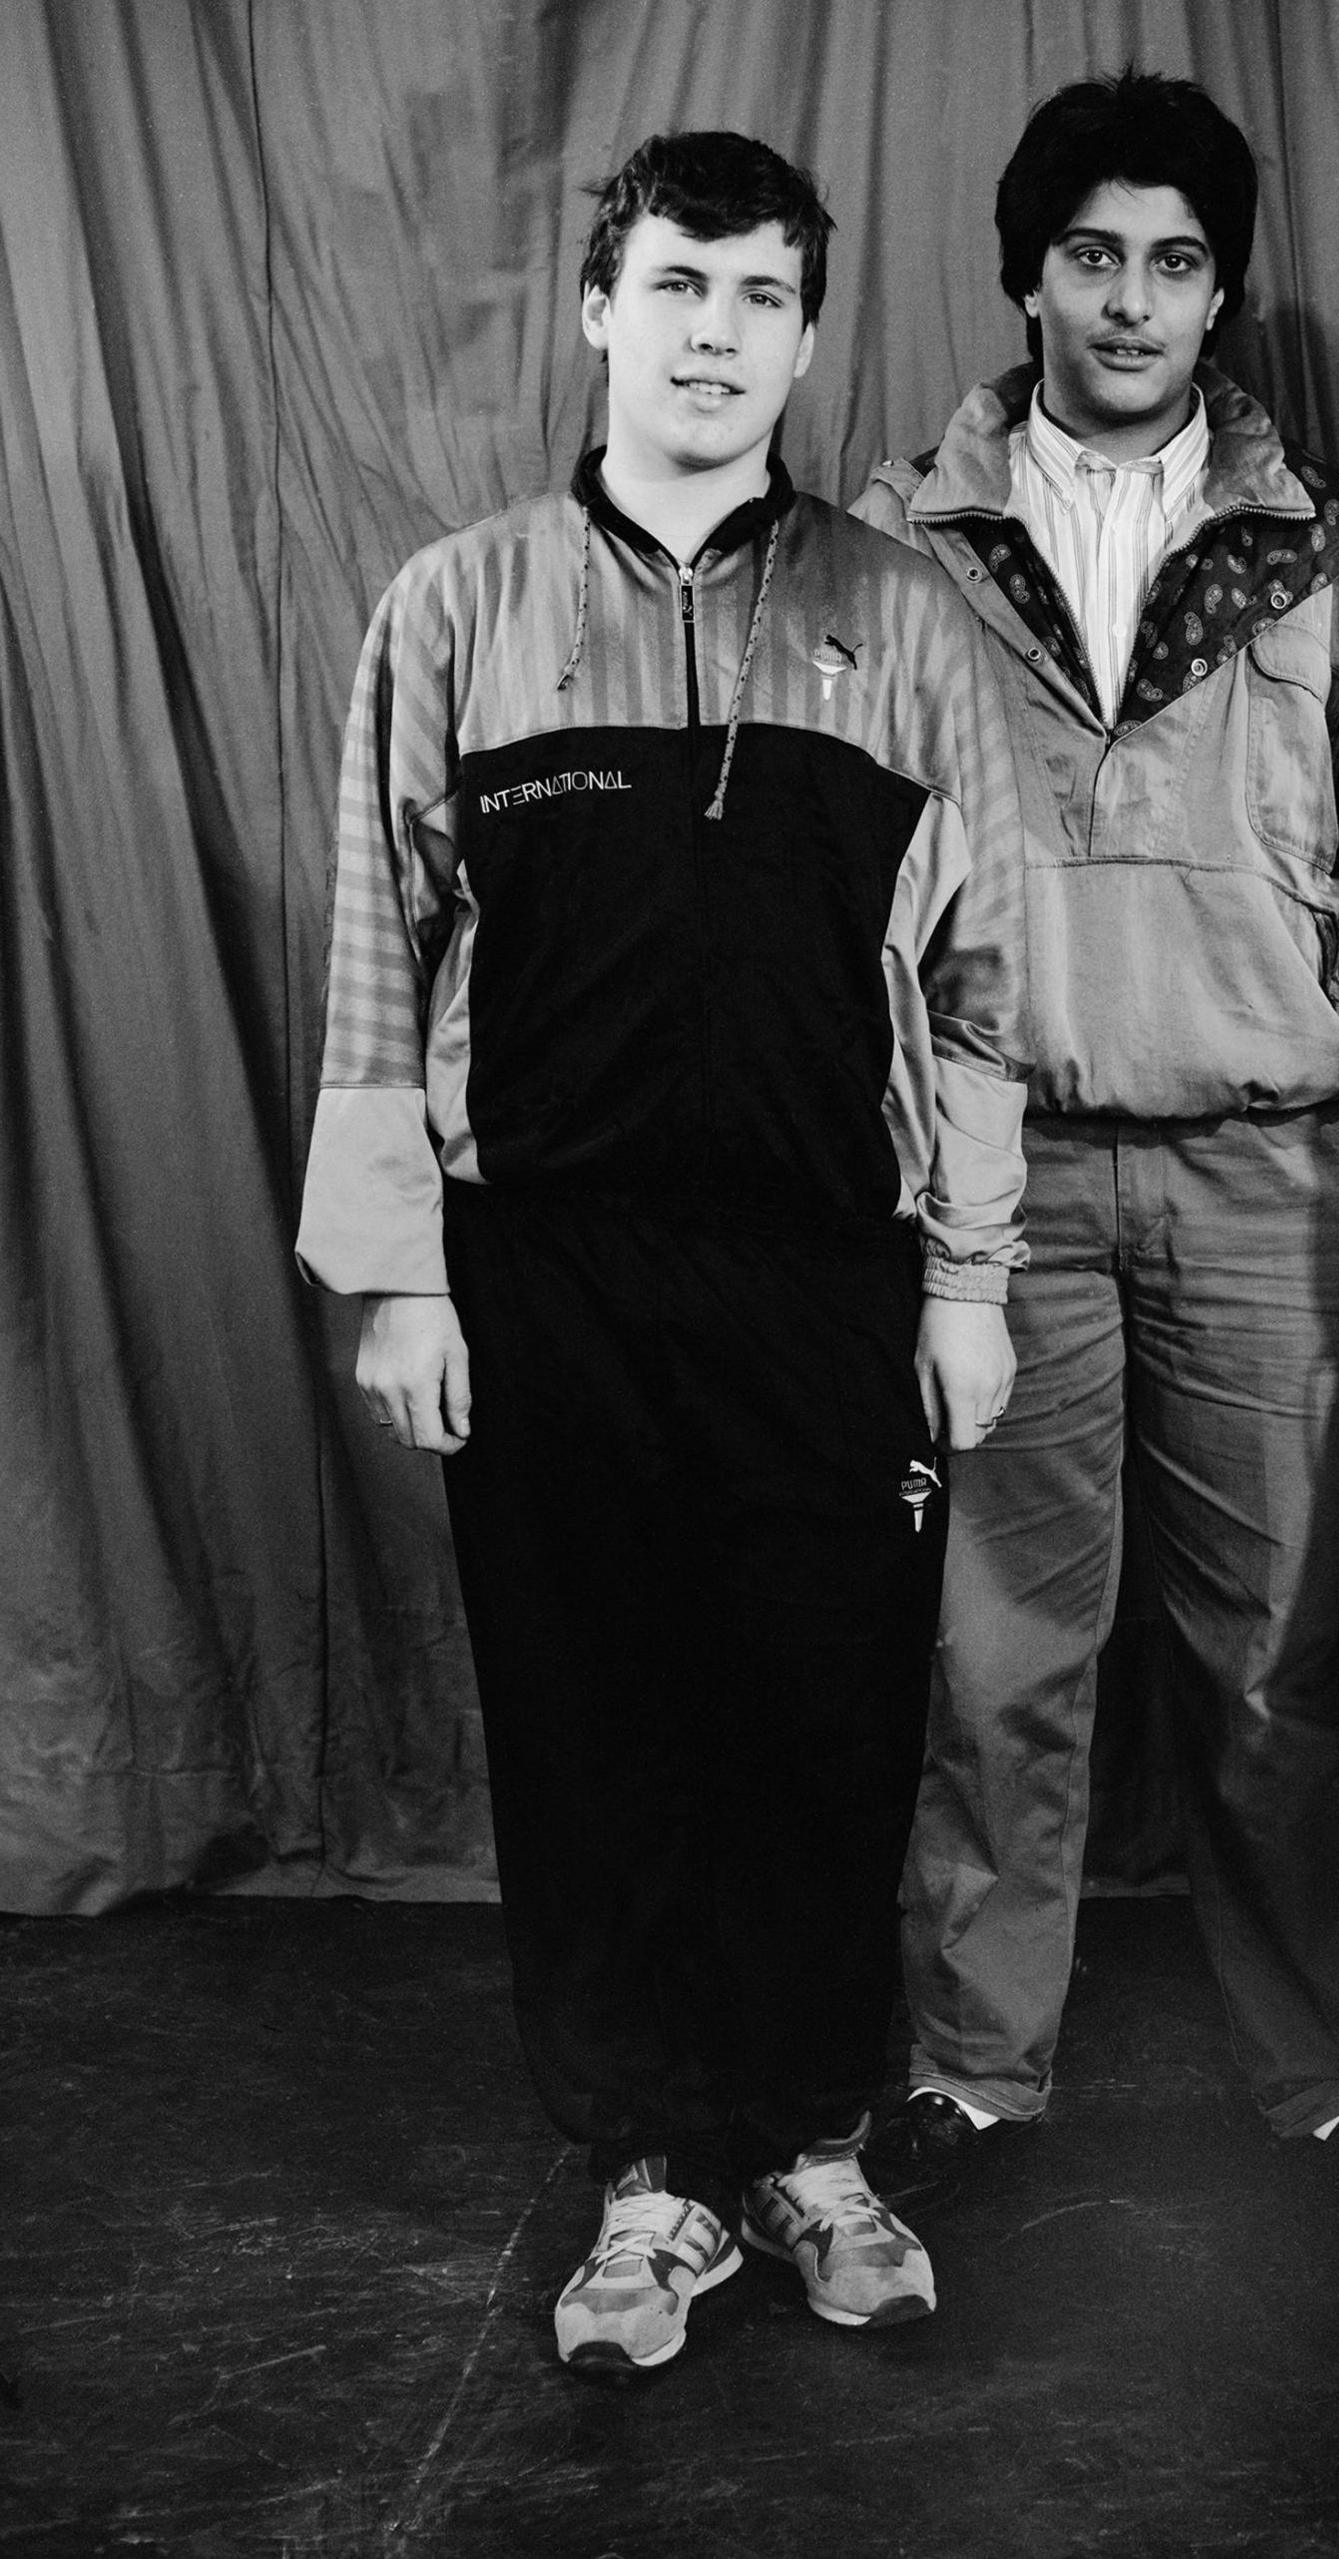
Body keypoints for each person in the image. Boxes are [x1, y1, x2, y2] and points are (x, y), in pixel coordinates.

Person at [293, 131, 1030, 2379]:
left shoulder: (901, 618)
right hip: (544, 1275)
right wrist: (399, 1277)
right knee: (596, 1720)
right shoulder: (459, 606)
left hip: (828, 1273)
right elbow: (370, 957)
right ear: (600, 309)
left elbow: (986, 981)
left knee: (823, 1714)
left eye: (759, 300)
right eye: (678, 287)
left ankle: (808, 2138)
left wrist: (969, 1277)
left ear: (807, 338)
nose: (715, 335)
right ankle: (645, 2177)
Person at [851, 70, 1339, 2205]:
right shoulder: (891, 546)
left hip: (1276, 1174)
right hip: (996, 1184)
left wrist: (1332, 1015)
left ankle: (1321, 2059)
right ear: (1024, 271)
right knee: (994, 1650)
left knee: (1282, 1651)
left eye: (1176, 261)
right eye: (1092, 254)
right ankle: (973, 2061)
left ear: (1222, 293)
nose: (1130, 299)